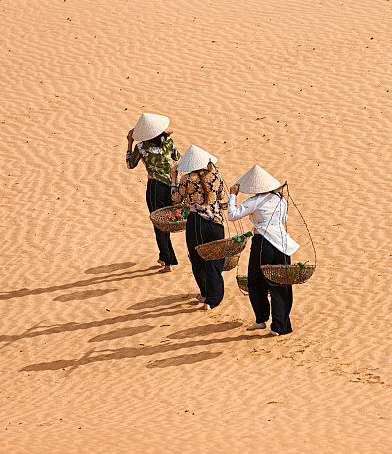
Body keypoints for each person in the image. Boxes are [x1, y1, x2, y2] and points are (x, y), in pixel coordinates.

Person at [227, 165, 299, 336]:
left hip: (263, 243)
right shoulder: (281, 199)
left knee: (256, 281)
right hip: (282, 244)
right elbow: (283, 219)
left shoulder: (255, 201)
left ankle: (261, 318)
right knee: (281, 283)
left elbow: (232, 215)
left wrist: (232, 196)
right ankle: (280, 325)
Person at [170, 145, 229, 310]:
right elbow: (221, 196)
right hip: (215, 222)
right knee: (215, 259)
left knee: (197, 258)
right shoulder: (216, 176)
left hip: (196, 223)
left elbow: (175, 199)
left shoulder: (186, 179)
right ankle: (212, 299)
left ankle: (205, 293)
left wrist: (174, 178)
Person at [126, 113, 180, 273]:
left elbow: (130, 165)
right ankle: (166, 257)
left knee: (159, 224)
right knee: (167, 222)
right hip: (171, 186)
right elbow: (177, 157)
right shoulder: (168, 141)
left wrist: (130, 143)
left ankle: (167, 261)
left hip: (155, 187)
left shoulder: (141, 147)